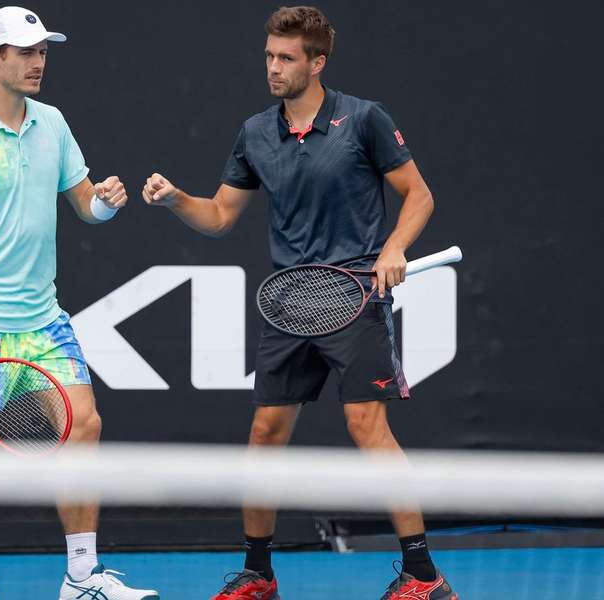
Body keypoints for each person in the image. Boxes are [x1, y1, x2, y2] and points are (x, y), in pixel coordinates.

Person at [142, 6, 457, 600]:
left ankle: (423, 576)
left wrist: (394, 247)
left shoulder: (364, 120)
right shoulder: (256, 132)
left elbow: (419, 195)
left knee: (367, 427)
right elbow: (220, 215)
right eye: (269, 56)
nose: (274, 67)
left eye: (286, 58)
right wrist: (177, 199)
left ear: (318, 62)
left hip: (356, 294)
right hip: (289, 303)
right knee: (265, 433)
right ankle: (258, 573)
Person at [0, 6, 159, 600]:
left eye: (43, 51)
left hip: (43, 320)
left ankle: (81, 578)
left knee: (85, 425)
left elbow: (83, 206)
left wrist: (106, 201)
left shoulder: (53, 123)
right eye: (24, 51)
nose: (38, 62)